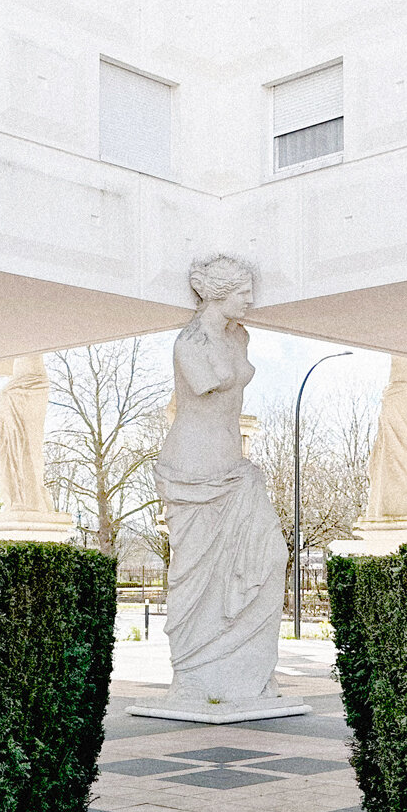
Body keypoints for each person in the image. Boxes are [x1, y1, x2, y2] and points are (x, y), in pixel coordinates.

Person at [155, 255, 289, 709]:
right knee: (193, 578)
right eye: (243, 291)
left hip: (234, 466)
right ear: (218, 292)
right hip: (193, 467)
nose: (251, 298)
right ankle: (194, 674)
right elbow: (209, 385)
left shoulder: (240, 335)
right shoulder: (190, 341)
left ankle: (247, 673)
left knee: (271, 555)